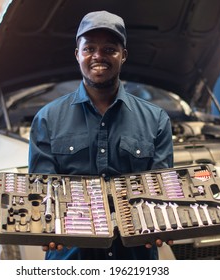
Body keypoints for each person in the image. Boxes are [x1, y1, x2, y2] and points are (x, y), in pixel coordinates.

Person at [28, 10, 174, 260]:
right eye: (89, 49)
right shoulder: (47, 119)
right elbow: (43, 196)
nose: (98, 56)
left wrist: (164, 222)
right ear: (78, 54)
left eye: (109, 49)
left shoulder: (156, 120)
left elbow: (159, 194)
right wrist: (45, 227)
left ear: (123, 55)